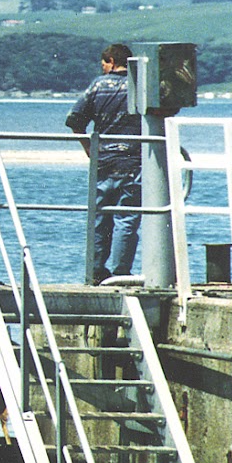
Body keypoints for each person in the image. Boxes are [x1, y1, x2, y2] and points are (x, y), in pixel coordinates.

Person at [66, 43, 141, 283]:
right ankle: (121, 273)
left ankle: (96, 270)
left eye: (104, 64)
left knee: (99, 218)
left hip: (104, 160)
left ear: (111, 60)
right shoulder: (139, 87)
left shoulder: (98, 85)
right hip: (133, 160)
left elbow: (75, 120)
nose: (103, 68)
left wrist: (90, 149)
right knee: (127, 218)